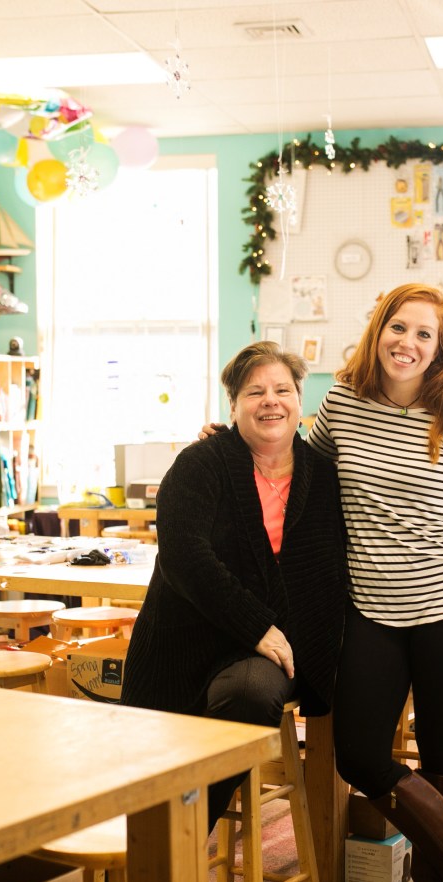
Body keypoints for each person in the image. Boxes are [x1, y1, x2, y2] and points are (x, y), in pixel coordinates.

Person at [201, 283, 443, 882]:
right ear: (378, 332)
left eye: (423, 335)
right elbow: (296, 465)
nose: (407, 343)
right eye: (397, 328)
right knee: (359, 755)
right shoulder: (344, 404)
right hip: (370, 607)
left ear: (440, 350)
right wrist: (227, 442)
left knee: (440, 757)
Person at [120, 341, 346, 834]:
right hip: (184, 643)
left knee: (251, 695)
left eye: (283, 389)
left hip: (260, 658)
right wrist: (257, 625)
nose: (271, 401)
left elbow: (327, 573)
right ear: (233, 405)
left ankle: (183, 829)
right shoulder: (202, 463)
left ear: (300, 400)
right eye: (255, 391)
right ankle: (159, 833)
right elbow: (185, 556)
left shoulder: (322, 477)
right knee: (147, 754)